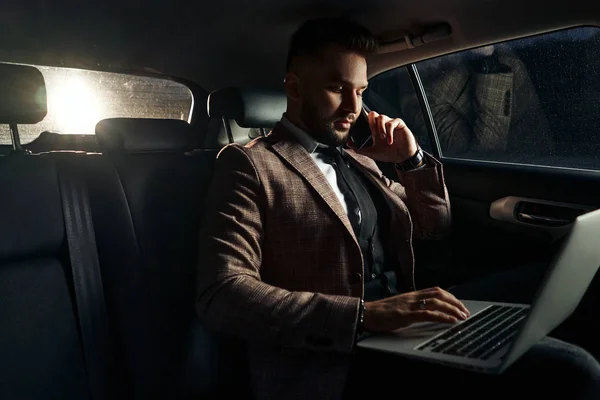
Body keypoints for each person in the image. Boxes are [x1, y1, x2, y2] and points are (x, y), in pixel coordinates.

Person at [196, 17, 600, 400]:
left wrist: (410, 160)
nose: (353, 107)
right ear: (296, 88)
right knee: (573, 368)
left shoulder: (359, 157)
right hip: (338, 359)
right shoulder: (249, 163)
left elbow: (432, 228)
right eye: (338, 88)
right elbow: (223, 294)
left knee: (559, 285)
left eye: (360, 91)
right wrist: (364, 316)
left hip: (404, 324)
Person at [400, 43, 554, 160]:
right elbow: (483, 155)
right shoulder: (419, 95)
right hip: (505, 175)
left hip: (544, 163)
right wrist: (487, 64)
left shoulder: (499, 46)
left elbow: (534, 127)